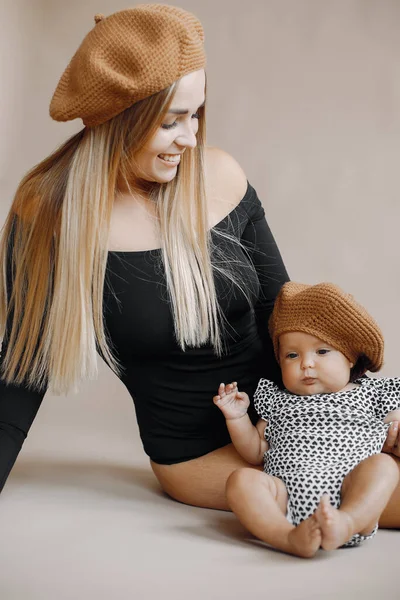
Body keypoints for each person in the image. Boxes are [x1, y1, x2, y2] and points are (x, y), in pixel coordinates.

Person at [0, 5, 399, 526]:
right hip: (201, 452)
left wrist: (374, 408)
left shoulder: (221, 177)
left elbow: (288, 316)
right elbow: (20, 374)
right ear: (120, 119)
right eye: (170, 122)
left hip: (309, 414)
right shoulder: (51, 217)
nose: (190, 138)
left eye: (196, 114)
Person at [213, 282, 400, 557]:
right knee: (240, 480)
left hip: (350, 488)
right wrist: (237, 417)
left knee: (383, 467)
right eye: (292, 355)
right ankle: (286, 536)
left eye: (322, 351)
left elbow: (395, 425)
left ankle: (347, 522)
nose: (306, 364)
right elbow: (256, 452)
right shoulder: (276, 399)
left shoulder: (373, 393)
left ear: (349, 358)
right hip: (284, 496)